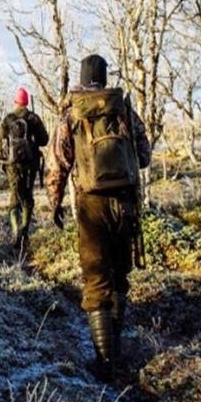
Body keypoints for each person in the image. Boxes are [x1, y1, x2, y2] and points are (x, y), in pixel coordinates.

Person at [44, 55, 151, 380]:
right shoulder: (124, 110)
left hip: (91, 207)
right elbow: (144, 157)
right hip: (126, 204)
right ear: (104, 79)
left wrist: (55, 202)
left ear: (81, 77)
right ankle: (116, 348)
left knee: (96, 280)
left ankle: (106, 363)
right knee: (119, 277)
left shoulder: (72, 114)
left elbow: (58, 164)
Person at [0, 87, 49, 259]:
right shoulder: (33, 118)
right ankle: (24, 232)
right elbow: (44, 140)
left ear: (15, 102)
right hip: (30, 165)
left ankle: (14, 232)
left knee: (14, 197)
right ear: (26, 102)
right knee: (27, 198)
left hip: (12, 166)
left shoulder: (8, 119)